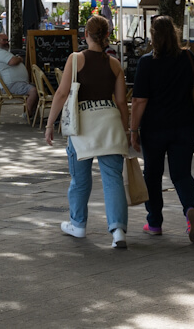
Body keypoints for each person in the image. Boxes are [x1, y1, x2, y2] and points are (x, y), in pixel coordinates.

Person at [44, 15, 130, 249]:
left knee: (80, 179)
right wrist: (127, 129)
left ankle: (78, 224)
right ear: (106, 36)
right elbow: (122, 102)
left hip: (82, 125)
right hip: (110, 124)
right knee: (113, 179)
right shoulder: (114, 64)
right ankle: (118, 231)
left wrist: (50, 123)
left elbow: (61, 94)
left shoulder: (76, 58)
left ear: (86, 35)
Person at [129, 15, 194, 243]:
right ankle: (190, 209)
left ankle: (154, 222)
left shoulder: (146, 63)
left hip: (154, 128)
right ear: (174, 34)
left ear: (153, 36)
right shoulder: (188, 57)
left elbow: (139, 100)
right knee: (181, 174)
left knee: (152, 174)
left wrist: (133, 130)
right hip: (185, 126)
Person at [0, 33, 38, 118]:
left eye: (7, 40)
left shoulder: (2, 52)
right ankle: (27, 114)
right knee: (33, 91)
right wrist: (20, 59)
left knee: (39, 88)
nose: (6, 42)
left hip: (14, 83)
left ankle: (33, 114)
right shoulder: (0, 52)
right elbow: (12, 61)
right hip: (11, 84)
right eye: (4, 40)